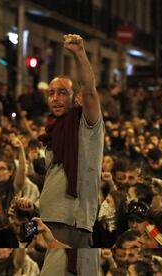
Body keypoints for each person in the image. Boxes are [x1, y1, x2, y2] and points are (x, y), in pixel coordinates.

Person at [37, 34, 103, 275]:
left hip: (71, 221)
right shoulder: (52, 130)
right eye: (51, 93)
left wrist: (79, 54)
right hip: (49, 218)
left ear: (75, 97)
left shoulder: (86, 124)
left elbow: (90, 89)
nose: (55, 98)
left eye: (62, 92)